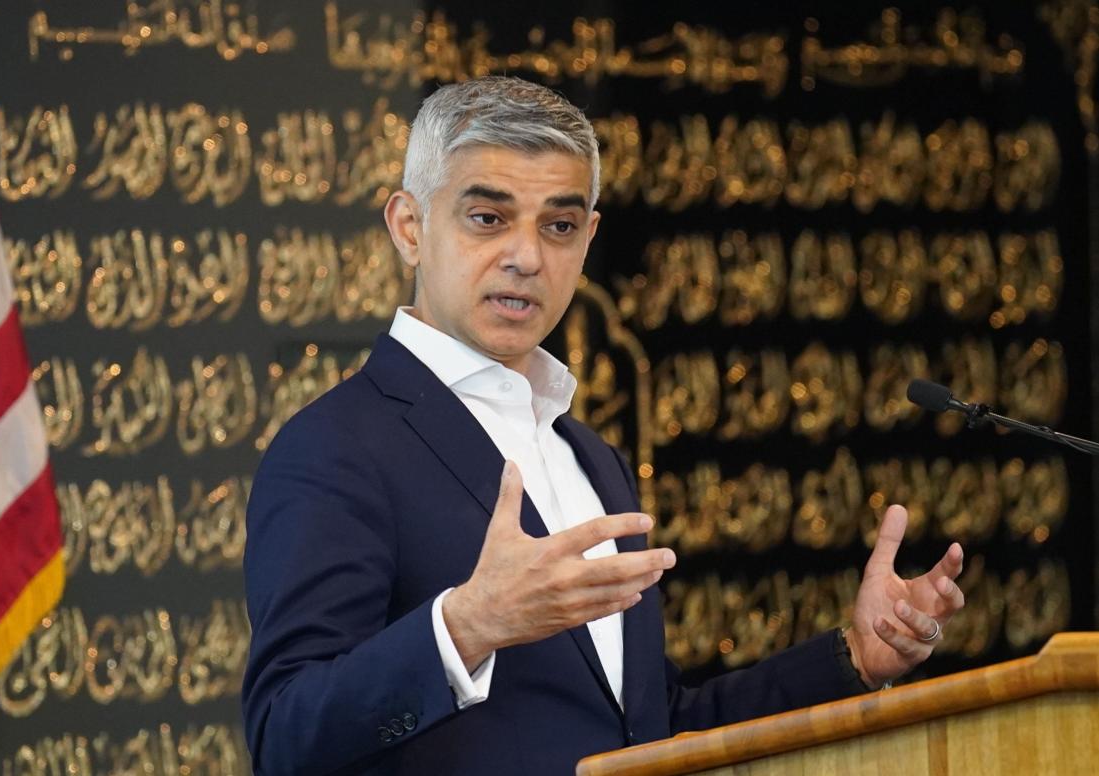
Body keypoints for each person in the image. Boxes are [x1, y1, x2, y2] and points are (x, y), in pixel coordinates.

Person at [241, 76, 965, 776]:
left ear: (587, 238)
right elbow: (285, 735)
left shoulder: (589, 456)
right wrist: (466, 626)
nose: (526, 257)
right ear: (408, 227)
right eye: (487, 218)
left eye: (557, 226)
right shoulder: (335, 448)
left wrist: (853, 659)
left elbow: (648, 730)